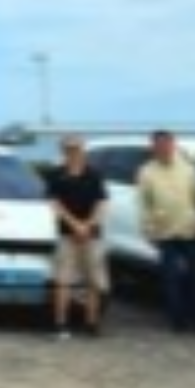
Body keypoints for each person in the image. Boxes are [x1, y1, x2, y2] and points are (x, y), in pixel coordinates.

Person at [137, 129, 195, 332]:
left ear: (173, 144)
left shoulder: (189, 169)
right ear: (153, 147)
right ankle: (178, 321)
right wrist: (148, 231)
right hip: (165, 233)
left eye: (166, 143)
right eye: (158, 144)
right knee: (172, 279)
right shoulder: (146, 172)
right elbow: (143, 204)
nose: (163, 148)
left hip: (191, 231)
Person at [45, 134, 109, 339]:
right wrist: (75, 225)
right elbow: (55, 204)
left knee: (94, 280)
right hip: (66, 233)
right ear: (63, 151)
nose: (73, 153)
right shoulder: (56, 174)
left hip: (92, 234)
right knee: (63, 279)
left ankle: (92, 322)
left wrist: (88, 225)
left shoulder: (95, 174)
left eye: (76, 148)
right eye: (68, 149)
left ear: (83, 150)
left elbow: (101, 202)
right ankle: (60, 323)